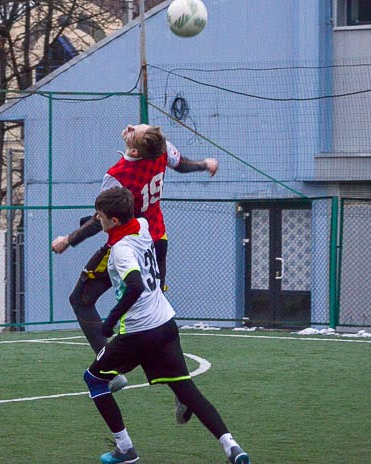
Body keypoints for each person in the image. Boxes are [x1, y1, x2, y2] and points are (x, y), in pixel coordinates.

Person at [83, 187, 250, 464]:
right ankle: (232, 447)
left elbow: (134, 285)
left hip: (138, 332)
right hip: (165, 323)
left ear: (114, 220)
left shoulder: (122, 250)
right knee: (186, 390)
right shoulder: (144, 226)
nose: (96, 219)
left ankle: (125, 449)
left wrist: (110, 321)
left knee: (94, 380)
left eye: (99, 216)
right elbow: (158, 238)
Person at [51, 124, 217, 404]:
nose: (130, 127)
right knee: (155, 316)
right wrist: (205, 164)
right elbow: (182, 164)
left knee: (81, 299)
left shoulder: (117, 175)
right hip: (157, 241)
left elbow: (100, 219)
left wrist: (69, 239)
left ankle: (109, 370)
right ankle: (182, 387)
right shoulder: (161, 150)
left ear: (135, 149)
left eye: (135, 131)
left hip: (130, 243)